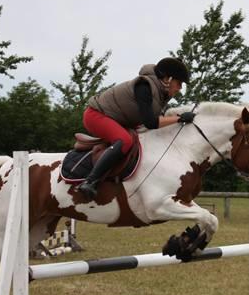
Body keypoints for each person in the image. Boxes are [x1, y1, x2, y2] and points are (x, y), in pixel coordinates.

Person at [77, 57, 196, 200]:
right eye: (179, 83)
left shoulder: (160, 93)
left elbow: (156, 121)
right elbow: (151, 123)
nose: (180, 88)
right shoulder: (144, 87)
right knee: (125, 140)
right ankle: (90, 181)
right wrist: (180, 118)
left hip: (116, 119)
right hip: (95, 115)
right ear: (168, 79)